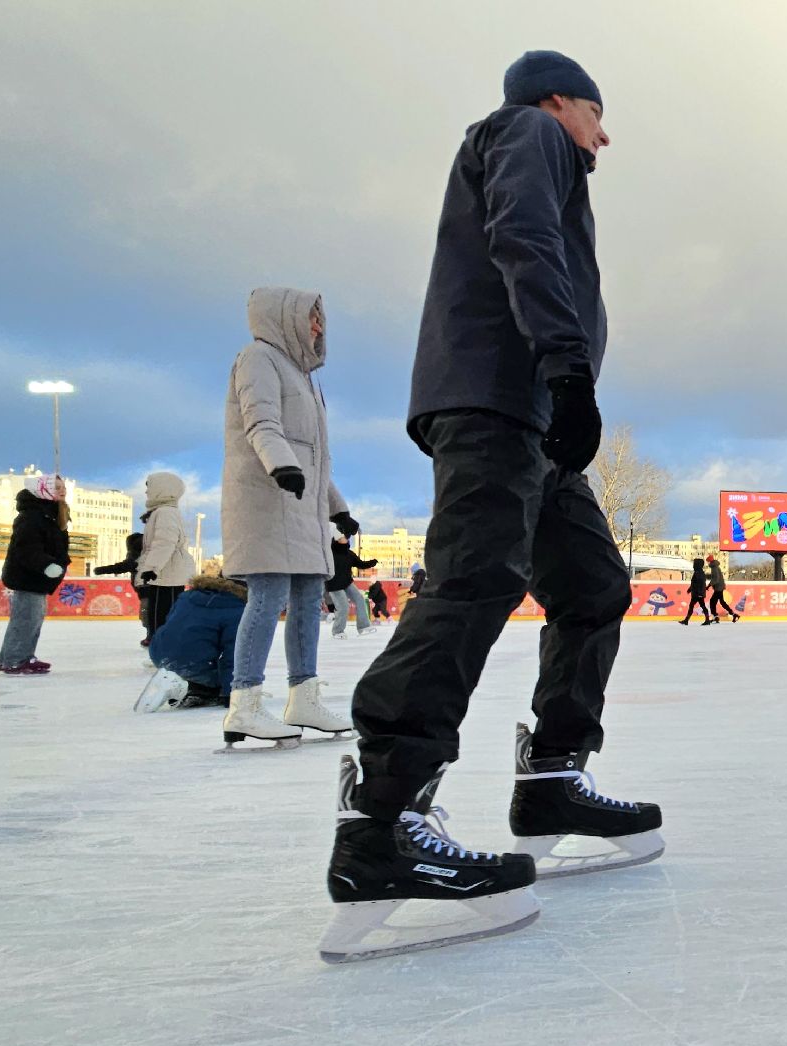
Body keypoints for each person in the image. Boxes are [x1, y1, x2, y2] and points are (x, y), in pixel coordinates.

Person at [322, 52, 668, 964]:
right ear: (560, 101)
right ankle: (383, 824)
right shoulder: (526, 132)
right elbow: (524, 237)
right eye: (598, 111)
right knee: (475, 581)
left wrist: (560, 390)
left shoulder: (543, 142)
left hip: (532, 416)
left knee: (592, 586)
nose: (606, 133)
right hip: (497, 400)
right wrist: (565, 361)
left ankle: (554, 773)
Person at [220, 286, 355, 749]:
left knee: (306, 598)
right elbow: (262, 423)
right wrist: (280, 465)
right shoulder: (257, 358)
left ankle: (303, 697)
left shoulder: (304, 377)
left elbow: (315, 458)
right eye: (311, 317)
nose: (318, 326)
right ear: (285, 317)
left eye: (321, 318)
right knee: (268, 595)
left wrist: (339, 508)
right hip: (267, 500)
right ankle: (246, 703)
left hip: (300, 507)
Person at [0, 475, 69, 675]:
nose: (62, 490)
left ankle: (10, 657)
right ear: (41, 490)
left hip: (36, 578)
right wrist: (47, 565)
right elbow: (26, 549)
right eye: (56, 487)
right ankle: (17, 659)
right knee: (27, 620)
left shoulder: (48, 514)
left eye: (63, 487)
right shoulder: (32, 517)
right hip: (29, 577)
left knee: (27, 619)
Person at [142, 574, 248, 710]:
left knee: (193, 645)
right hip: (192, 663)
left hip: (158, 654)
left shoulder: (187, 596)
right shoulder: (237, 608)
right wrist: (231, 694)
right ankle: (199, 689)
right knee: (222, 677)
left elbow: (170, 624)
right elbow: (232, 653)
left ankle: (186, 681)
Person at [136, 472, 197, 641]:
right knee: (157, 618)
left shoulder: (165, 512)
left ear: (161, 490)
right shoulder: (161, 512)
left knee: (162, 618)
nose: (146, 492)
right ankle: (160, 652)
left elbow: (165, 542)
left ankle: (164, 655)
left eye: (149, 488)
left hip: (166, 575)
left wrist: (151, 568)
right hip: (163, 574)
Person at [96, 533, 151, 644]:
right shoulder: (149, 552)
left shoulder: (136, 554)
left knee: (147, 614)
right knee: (149, 614)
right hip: (147, 589)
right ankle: (151, 635)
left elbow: (125, 566)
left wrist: (102, 570)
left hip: (147, 590)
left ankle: (151, 636)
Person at [326, 534, 379, 637]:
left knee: (360, 599)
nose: (345, 539)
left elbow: (360, 564)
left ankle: (363, 627)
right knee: (343, 606)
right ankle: (338, 631)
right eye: (342, 537)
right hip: (334, 585)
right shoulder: (329, 553)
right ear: (336, 540)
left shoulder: (349, 554)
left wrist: (371, 563)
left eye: (346, 537)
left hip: (346, 583)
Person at [680, 557, 712, 625]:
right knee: (696, 606)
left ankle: (707, 620)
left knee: (700, 606)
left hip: (698, 593)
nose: (693, 565)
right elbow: (694, 583)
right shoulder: (698, 572)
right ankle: (687, 620)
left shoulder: (699, 573)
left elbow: (700, 584)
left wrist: (699, 593)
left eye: (694, 564)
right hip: (696, 593)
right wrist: (690, 589)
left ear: (698, 564)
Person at [706, 555, 737, 622]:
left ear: (709, 561)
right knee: (720, 602)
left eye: (707, 561)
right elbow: (716, 577)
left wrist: (709, 585)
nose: (707, 563)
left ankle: (715, 616)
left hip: (718, 587)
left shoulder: (714, 567)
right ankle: (733, 615)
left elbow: (716, 579)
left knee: (713, 601)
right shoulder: (715, 567)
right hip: (719, 587)